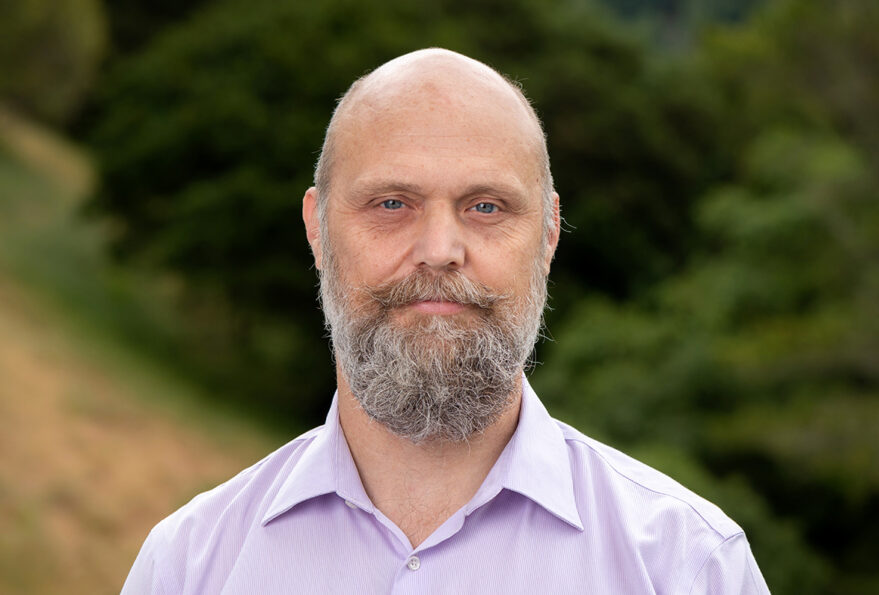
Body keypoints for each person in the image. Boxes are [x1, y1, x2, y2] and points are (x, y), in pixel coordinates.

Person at [122, 48, 769, 594]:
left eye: (486, 206)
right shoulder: (188, 567)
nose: (439, 250)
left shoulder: (687, 566)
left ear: (549, 235)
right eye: (392, 203)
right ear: (317, 230)